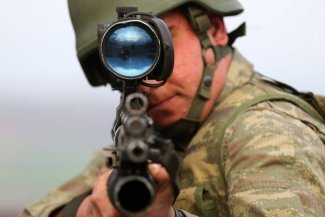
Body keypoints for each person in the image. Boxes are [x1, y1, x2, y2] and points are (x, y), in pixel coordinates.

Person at [21, 0, 325, 216]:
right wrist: (85, 211)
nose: (146, 81)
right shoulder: (155, 133)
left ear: (215, 29)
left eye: (157, 47)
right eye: (124, 56)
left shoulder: (267, 133)